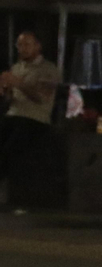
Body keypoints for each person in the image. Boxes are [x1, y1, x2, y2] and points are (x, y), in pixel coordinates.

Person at [0, 30, 59, 183]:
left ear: (38, 46)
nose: (22, 48)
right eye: (19, 44)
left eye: (27, 44)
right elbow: (10, 99)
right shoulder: (17, 67)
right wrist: (6, 89)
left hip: (34, 118)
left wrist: (18, 83)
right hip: (13, 115)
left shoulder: (48, 69)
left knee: (8, 151)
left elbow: (42, 97)